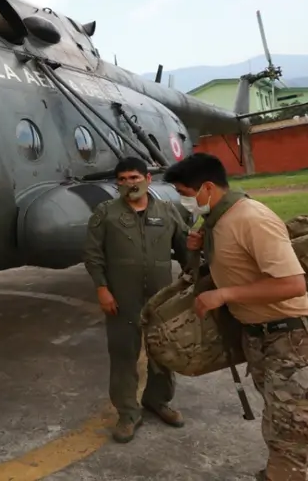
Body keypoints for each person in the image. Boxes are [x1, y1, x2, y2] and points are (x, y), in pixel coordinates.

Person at [163, 152, 308, 481]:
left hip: (293, 342)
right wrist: (198, 248)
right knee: (300, 423)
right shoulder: (219, 220)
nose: (183, 201)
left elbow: (292, 283)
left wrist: (225, 295)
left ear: (206, 187)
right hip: (264, 339)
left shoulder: (250, 218)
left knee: (290, 436)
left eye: (184, 194)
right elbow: (234, 269)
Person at [83, 156, 190, 443]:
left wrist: (195, 281)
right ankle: (128, 412)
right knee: (123, 355)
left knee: (162, 351)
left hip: (161, 299)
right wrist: (102, 289)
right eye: (122, 179)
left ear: (147, 179)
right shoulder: (105, 213)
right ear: (117, 184)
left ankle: (158, 400)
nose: (129, 183)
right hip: (121, 298)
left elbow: (184, 250)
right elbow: (93, 256)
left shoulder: (167, 211)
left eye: (134, 178)